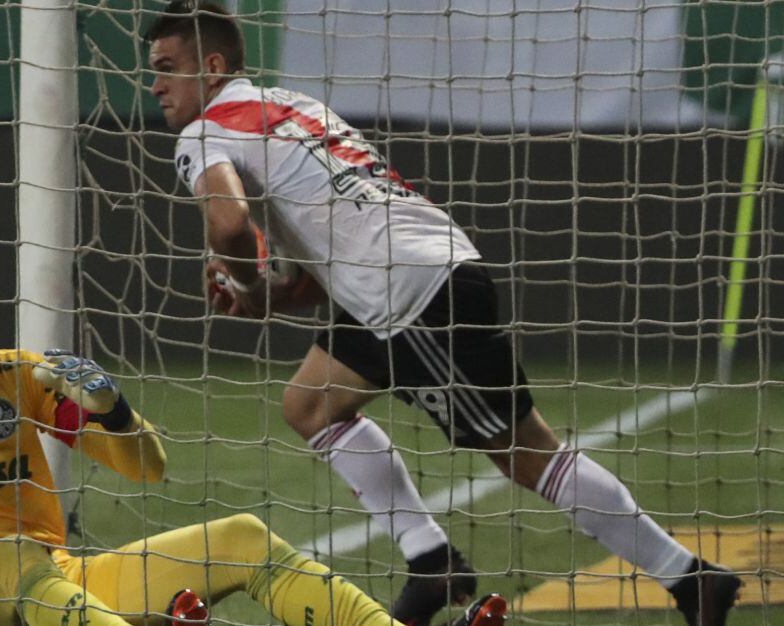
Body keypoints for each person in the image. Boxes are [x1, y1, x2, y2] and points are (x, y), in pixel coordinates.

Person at [145, 3, 742, 625]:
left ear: (213, 67)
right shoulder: (293, 106)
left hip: (411, 297)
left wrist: (245, 280)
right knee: (310, 404)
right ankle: (431, 563)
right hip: (419, 270)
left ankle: (689, 578)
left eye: (167, 67)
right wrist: (269, 295)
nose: (157, 85)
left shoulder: (205, 133)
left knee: (524, 453)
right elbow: (337, 250)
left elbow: (229, 224)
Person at [0, 288, 506, 626]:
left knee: (242, 538)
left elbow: (145, 466)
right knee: (14, 556)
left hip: (56, 589)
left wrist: (112, 409)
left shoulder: (12, 377)